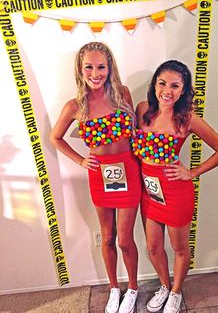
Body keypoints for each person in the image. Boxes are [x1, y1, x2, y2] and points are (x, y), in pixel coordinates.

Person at [131, 60, 218, 313]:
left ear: (184, 90)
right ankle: (165, 285)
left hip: (176, 191)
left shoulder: (187, 119)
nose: (167, 90)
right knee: (154, 247)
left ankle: (176, 292)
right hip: (149, 190)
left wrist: (192, 172)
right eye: (162, 83)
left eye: (175, 86)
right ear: (154, 84)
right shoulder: (142, 109)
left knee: (179, 248)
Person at [50, 42, 142, 313]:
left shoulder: (123, 94)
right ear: (80, 70)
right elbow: (55, 137)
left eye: (101, 66)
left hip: (128, 170)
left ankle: (133, 288)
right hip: (100, 174)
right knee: (108, 236)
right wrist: (80, 160)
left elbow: (134, 131)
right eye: (89, 66)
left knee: (125, 239)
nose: (95, 73)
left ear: (109, 67)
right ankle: (114, 288)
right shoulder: (74, 106)